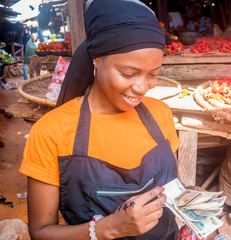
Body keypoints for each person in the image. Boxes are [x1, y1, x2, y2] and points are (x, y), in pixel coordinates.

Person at [19, 0, 192, 239]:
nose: (142, 87)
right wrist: (108, 228)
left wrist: (189, 200)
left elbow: (171, 188)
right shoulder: (51, 132)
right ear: (96, 60)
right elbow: (40, 232)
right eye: (128, 73)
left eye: (153, 74)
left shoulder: (160, 113)